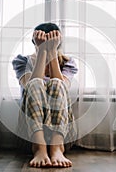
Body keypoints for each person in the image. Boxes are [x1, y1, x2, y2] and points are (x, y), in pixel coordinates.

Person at [12, 23, 78, 168]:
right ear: (35, 43)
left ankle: (57, 148)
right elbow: (29, 85)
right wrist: (42, 51)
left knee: (57, 83)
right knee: (35, 83)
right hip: (28, 136)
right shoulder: (21, 61)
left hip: (64, 136)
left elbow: (63, 87)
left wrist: (52, 53)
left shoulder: (68, 63)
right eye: (41, 44)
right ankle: (39, 147)